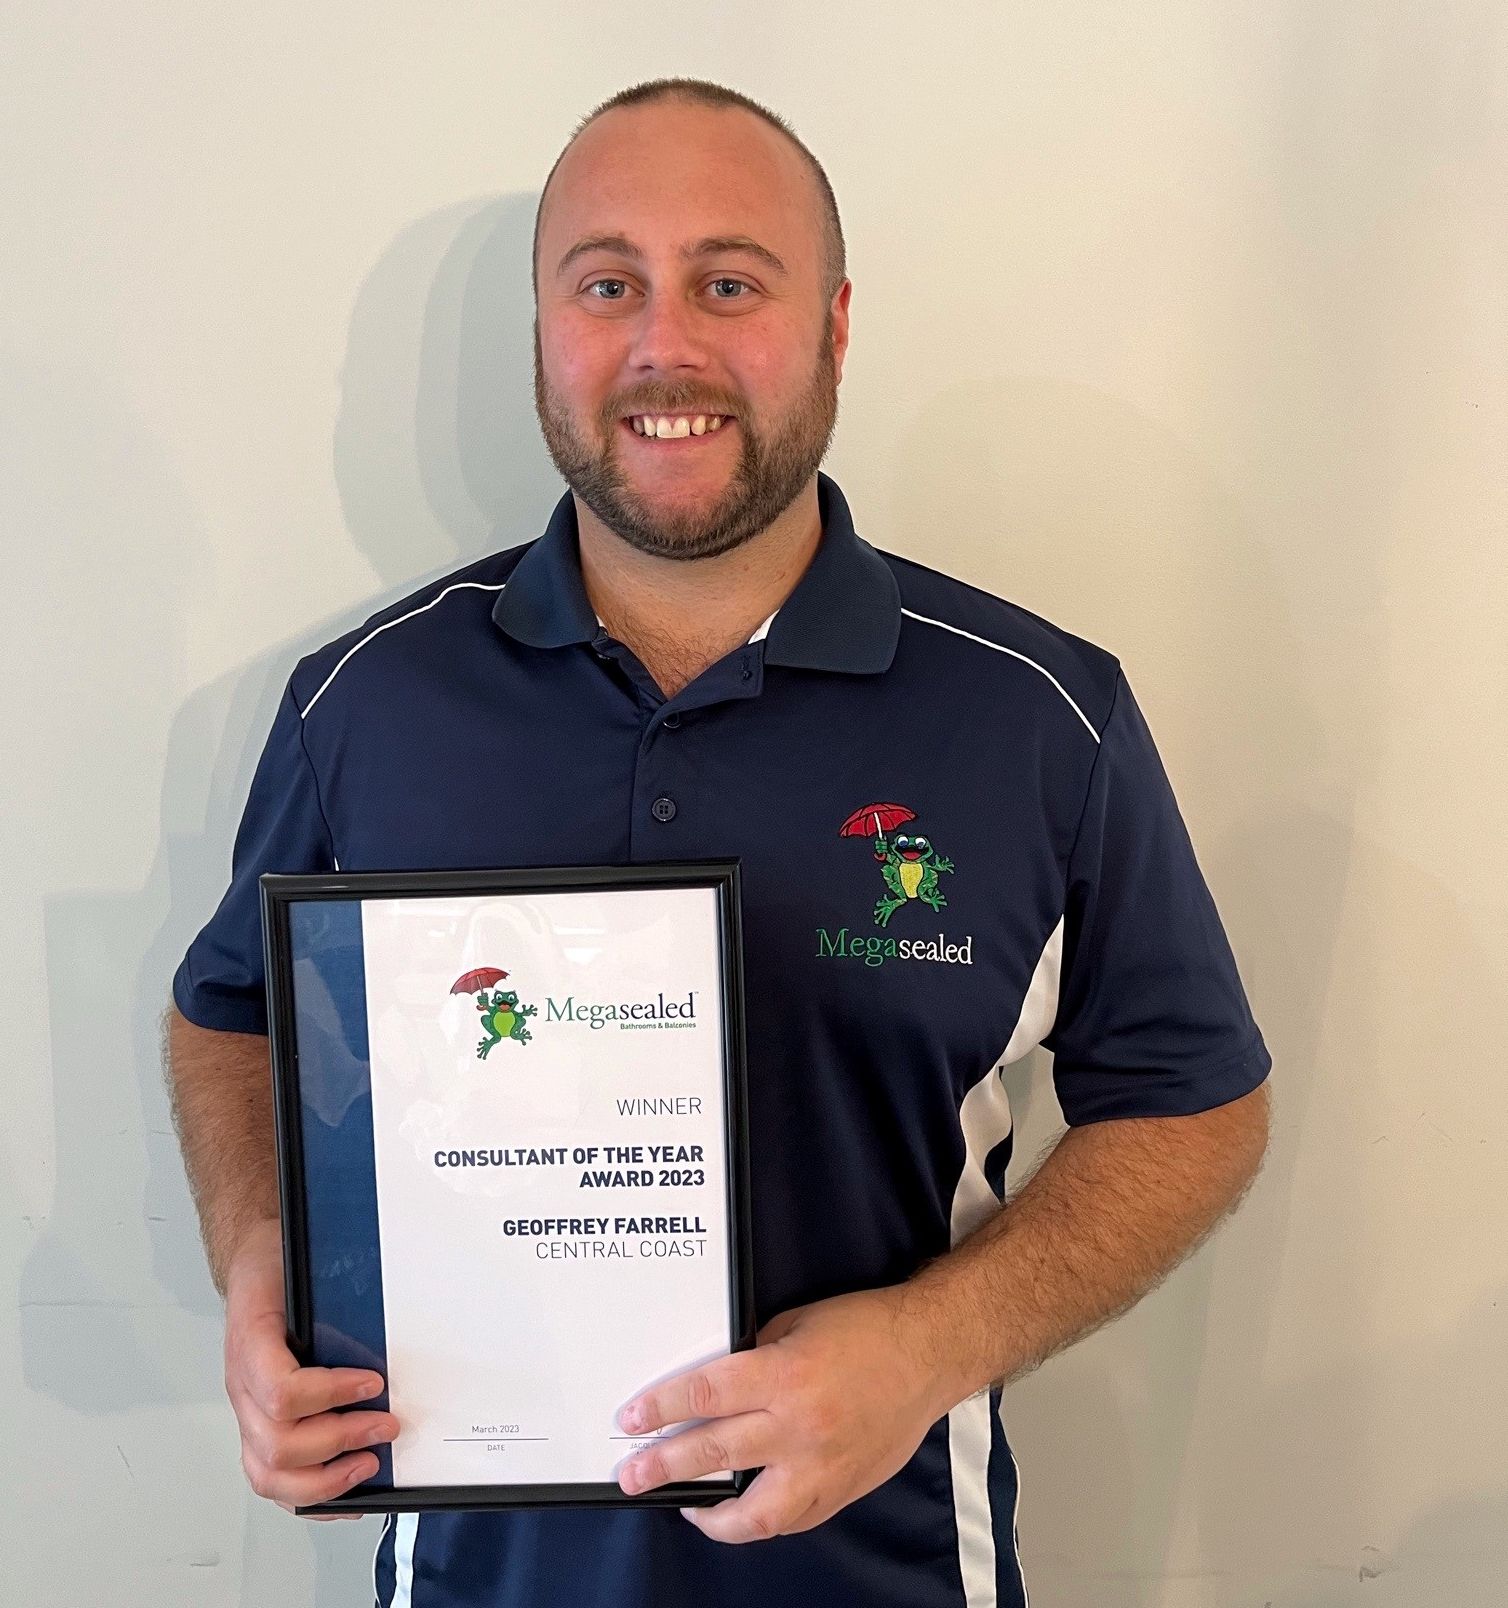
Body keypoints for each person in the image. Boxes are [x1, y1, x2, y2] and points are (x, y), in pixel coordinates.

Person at [165, 76, 1272, 1608]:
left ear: (829, 326)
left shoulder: (1035, 718)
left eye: (728, 282)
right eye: (606, 283)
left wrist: (925, 1350)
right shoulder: (371, 703)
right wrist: (257, 1262)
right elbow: (228, 1010)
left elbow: (1195, 1104)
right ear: (545, 335)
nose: (662, 345)